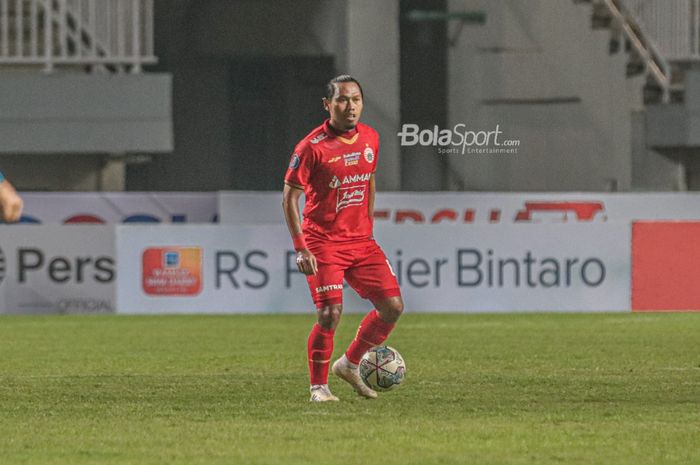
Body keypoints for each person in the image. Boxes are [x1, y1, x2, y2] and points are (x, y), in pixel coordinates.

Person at [282, 75, 404, 402]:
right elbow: (289, 198)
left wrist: (368, 223)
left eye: (356, 100)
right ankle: (318, 388)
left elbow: (369, 181)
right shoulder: (311, 147)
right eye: (342, 100)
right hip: (323, 242)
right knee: (329, 313)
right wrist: (301, 248)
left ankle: (349, 364)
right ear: (328, 104)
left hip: (361, 241)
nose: (350, 106)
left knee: (392, 307)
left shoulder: (370, 138)